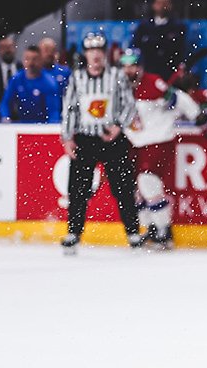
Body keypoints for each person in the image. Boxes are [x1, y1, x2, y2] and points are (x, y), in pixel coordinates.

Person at [119, 47, 207, 249]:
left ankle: (164, 229)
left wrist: (199, 117)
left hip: (158, 140)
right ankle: (151, 227)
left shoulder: (153, 83)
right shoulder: (118, 87)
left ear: (140, 67)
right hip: (135, 143)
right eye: (125, 66)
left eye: (133, 65)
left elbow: (179, 99)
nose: (129, 70)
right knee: (136, 189)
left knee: (147, 181)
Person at [58, 33, 142, 255]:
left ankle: (133, 232)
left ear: (104, 54)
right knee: (78, 189)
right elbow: (70, 109)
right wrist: (67, 137)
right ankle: (73, 232)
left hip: (112, 139)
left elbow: (129, 104)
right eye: (91, 51)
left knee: (123, 187)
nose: (95, 55)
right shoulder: (77, 78)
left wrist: (118, 126)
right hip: (85, 139)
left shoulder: (116, 75)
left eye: (99, 50)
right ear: (85, 54)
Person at [0, 45, 62, 123]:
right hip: (22, 124)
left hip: (42, 125)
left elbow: (53, 111)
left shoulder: (49, 83)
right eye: (27, 59)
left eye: (34, 59)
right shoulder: (16, 79)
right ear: (23, 60)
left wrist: (51, 126)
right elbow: (5, 102)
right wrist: (5, 116)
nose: (31, 63)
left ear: (41, 61)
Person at [131, 0, 190, 78]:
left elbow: (181, 49)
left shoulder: (178, 26)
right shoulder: (144, 25)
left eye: (165, 3)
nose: (162, 6)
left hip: (170, 69)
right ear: (153, 5)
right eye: (159, 3)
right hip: (148, 68)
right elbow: (136, 46)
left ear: (170, 5)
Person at [0, 36, 23, 111]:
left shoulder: (23, 68)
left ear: (15, 48)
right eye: (4, 47)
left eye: (10, 47)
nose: (7, 50)